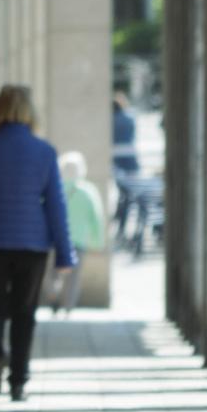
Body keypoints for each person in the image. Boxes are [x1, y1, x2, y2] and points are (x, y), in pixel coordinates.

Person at [0, 85, 74, 403]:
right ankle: (18, 382)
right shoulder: (45, 151)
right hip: (32, 242)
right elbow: (55, 205)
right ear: (30, 112)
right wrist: (65, 253)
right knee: (24, 313)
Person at [51, 151, 106, 312]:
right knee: (73, 276)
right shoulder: (88, 191)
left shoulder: (55, 189)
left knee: (53, 273)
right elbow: (96, 218)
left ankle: (53, 294)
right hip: (78, 240)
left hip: (55, 238)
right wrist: (97, 241)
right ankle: (68, 305)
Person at [112, 91, 140, 240]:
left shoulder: (111, 120)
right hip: (130, 161)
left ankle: (120, 224)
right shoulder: (129, 118)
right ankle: (121, 225)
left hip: (116, 162)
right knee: (127, 196)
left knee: (123, 196)